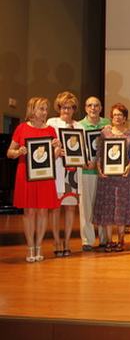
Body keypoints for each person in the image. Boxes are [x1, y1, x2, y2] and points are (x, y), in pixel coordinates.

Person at [7, 97, 60, 262]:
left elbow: (54, 154)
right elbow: (9, 152)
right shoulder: (21, 128)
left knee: (43, 210)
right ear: (32, 110)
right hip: (26, 175)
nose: (44, 112)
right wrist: (19, 152)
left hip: (44, 175)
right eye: (41, 109)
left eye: (45, 109)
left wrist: (57, 149)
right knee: (29, 211)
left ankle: (39, 246)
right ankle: (30, 248)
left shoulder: (51, 130)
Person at [94, 103, 130, 252]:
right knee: (108, 208)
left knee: (121, 208)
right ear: (111, 117)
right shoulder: (105, 132)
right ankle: (109, 240)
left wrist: (128, 167)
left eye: (121, 115)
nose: (117, 117)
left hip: (123, 177)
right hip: (107, 177)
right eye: (115, 114)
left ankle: (121, 239)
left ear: (125, 118)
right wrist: (99, 169)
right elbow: (99, 153)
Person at [47, 91, 81, 257]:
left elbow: (84, 150)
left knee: (69, 207)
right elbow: (45, 146)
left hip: (73, 173)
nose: (66, 111)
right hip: (57, 169)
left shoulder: (79, 126)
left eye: (70, 108)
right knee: (55, 208)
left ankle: (67, 241)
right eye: (63, 107)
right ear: (58, 108)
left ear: (74, 109)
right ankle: (56, 240)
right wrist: (55, 149)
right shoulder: (51, 123)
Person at [78, 96, 110, 251]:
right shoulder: (79, 126)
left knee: (103, 206)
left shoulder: (107, 125)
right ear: (85, 108)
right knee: (86, 207)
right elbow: (75, 148)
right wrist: (82, 161)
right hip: (86, 171)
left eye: (96, 105)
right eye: (90, 105)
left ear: (101, 108)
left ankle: (105, 239)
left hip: (104, 172)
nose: (93, 108)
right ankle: (87, 241)